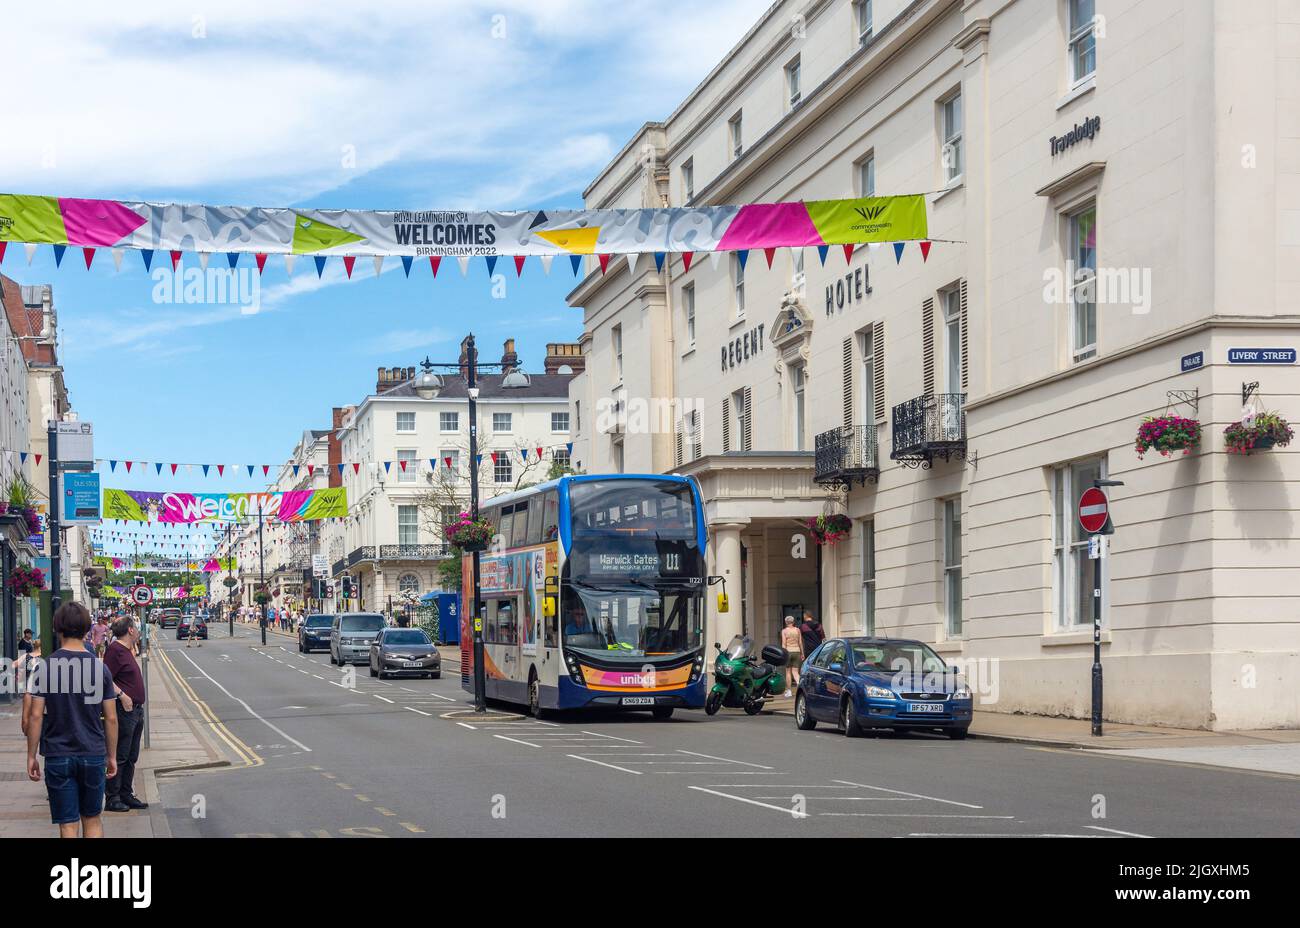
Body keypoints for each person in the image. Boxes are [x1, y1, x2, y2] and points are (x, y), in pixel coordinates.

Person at [25, 602, 119, 838]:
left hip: (58, 754)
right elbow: (111, 718)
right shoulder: (100, 669)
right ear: (87, 629)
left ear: (58, 629)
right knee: (93, 819)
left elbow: (35, 716)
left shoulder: (45, 668)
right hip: (93, 753)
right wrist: (112, 756)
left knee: (68, 824)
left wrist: (31, 756)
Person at [102, 618, 148, 812]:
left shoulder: (126, 650)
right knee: (120, 754)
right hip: (124, 711)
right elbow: (104, 678)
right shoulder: (114, 651)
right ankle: (113, 797)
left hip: (136, 711)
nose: (137, 631)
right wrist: (122, 695)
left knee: (131, 756)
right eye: (136, 628)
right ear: (130, 630)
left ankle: (126, 794)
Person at [779, 615, 803, 697]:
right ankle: (801, 687)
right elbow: (800, 643)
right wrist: (802, 653)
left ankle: (789, 691)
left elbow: (783, 644)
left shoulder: (784, 631)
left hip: (788, 652)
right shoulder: (798, 630)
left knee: (788, 672)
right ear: (793, 622)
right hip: (797, 651)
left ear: (786, 622)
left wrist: (783, 654)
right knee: (796, 672)